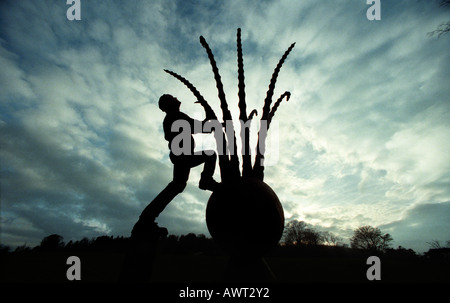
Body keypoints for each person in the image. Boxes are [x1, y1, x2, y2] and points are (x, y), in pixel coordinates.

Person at [131, 94, 219, 240]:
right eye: (173, 97)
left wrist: (208, 118)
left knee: (177, 185)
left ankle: (146, 218)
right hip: (183, 155)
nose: (178, 98)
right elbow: (202, 127)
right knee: (210, 155)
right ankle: (206, 180)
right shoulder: (176, 116)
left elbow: (202, 127)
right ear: (170, 104)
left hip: (181, 155)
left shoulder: (173, 117)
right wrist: (208, 113)